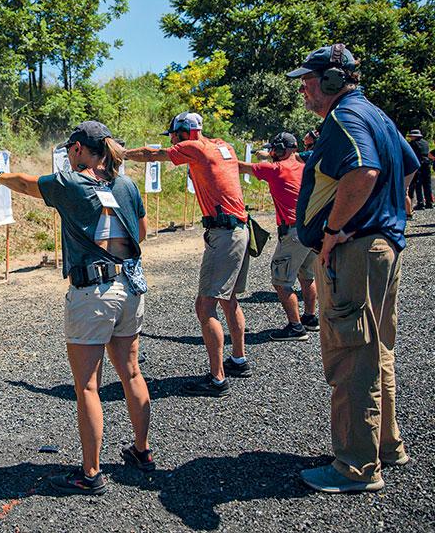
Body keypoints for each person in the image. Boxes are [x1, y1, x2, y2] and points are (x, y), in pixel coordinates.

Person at [0, 121, 152, 495]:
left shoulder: (72, 183)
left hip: (93, 293)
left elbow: (26, 183)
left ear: (77, 149)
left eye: (70, 149)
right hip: (130, 285)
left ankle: (90, 474)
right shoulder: (125, 184)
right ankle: (142, 451)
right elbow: (140, 231)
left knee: (88, 386)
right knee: (132, 373)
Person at [288, 43, 419, 493]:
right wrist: (395, 208)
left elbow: (362, 171)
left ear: (330, 81)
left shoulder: (345, 118)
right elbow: (409, 162)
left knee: (352, 353)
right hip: (380, 245)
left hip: (357, 250)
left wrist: (334, 229)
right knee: (378, 348)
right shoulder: (377, 114)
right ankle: (386, 445)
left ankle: (356, 464)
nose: (303, 89)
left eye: (309, 80)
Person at [125, 112, 251, 397]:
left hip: (224, 233)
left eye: (173, 134)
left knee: (205, 306)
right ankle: (238, 360)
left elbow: (151, 154)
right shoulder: (223, 146)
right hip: (239, 228)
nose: (171, 140)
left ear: (185, 133)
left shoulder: (194, 147)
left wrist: (121, 152)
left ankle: (217, 379)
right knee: (229, 299)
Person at [238, 132, 318, 341]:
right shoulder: (303, 167)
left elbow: (238, 167)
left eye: (275, 149)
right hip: (311, 230)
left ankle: (295, 327)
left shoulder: (275, 169)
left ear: (281, 149)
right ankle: (310, 317)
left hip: (293, 233)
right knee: (307, 275)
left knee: (281, 281)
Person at [406, 130, 432, 210]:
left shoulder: (412, 144)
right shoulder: (425, 143)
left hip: (419, 164)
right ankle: (429, 202)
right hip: (427, 164)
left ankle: (420, 203)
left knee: (418, 184)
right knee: (427, 184)